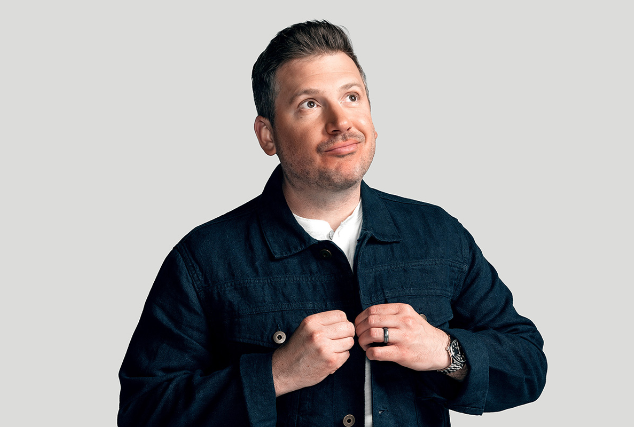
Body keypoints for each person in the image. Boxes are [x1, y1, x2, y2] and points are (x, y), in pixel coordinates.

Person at [118, 20, 546, 427]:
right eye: (310, 104)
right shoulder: (204, 259)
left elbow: (528, 365)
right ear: (267, 135)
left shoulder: (438, 235)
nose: (341, 122)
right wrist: (276, 374)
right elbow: (144, 411)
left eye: (352, 97)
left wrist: (444, 350)